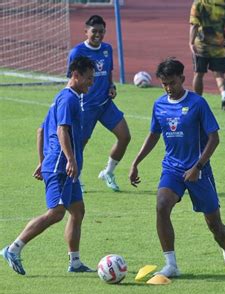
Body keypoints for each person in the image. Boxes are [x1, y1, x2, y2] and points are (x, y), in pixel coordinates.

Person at [129, 58, 225, 278]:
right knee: (161, 205)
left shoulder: (198, 103)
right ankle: (171, 264)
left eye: (172, 83)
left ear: (182, 78)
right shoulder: (159, 105)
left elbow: (214, 138)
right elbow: (153, 135)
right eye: (164, 84)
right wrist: (136, 162)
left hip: (199, 172)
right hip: (172, 170)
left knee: (215, 224)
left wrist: (198, 166)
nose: (169, 88)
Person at [1, 56, 96, 275]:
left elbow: (41, 130)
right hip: (62, 167)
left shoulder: (60, 98)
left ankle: (75, 262)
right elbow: (62, 130)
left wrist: (42, 161)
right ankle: (13, 249)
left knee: (78, 210)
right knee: (56, 212)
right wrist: (70, 159)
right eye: (89, 78)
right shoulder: (69, 99)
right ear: (76, 75)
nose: (91, 83)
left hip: (58, 165)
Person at [67, 15, 131, 192]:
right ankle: (75, 178)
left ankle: (108, 172)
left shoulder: (107, 49)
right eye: (94, 31)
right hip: (85, 106)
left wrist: (111, 86)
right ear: (86, 31)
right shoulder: (77, 52)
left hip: (105, 104)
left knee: (125, 137)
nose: (98, 35)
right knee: (80, 144)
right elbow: (71, 80)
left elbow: (108, 73)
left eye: (101, 32)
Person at [189, 0, 225, 111]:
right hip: (219, 46)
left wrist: (191, 42)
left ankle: (197, 102)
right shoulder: (223, 3)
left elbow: (194, 25)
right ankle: (224, 96)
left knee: (199, 74)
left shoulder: (199, 3)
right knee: (219, 75)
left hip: (202, 46)